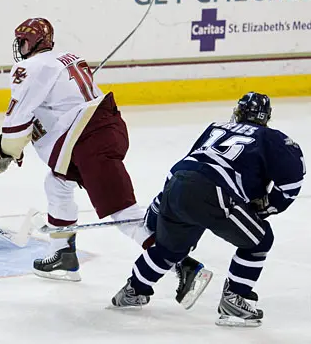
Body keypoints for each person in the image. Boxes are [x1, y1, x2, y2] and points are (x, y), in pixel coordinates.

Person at [0, 17, 210, 304]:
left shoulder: (31, 66)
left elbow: (18, 118)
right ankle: (64, 254)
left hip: (89, 140)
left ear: (30, 43)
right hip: (100, 131)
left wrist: (7, 150)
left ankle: (184, 263)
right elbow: (59, 106)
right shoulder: (67, 58)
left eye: (21, 41)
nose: (19, 47)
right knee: (56, 182)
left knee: (123, 212)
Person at [111, 93, 305, 327]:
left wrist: (159, 207)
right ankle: (236, 299)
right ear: (267, 117)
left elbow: (191, 164)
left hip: (177, 184)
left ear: (239, 112)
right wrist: (268, 207)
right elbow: (292, 181)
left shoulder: (216, 128)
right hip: (214, 192)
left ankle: (133, 290)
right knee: (260, 240)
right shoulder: (272, 138)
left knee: (169, 249)